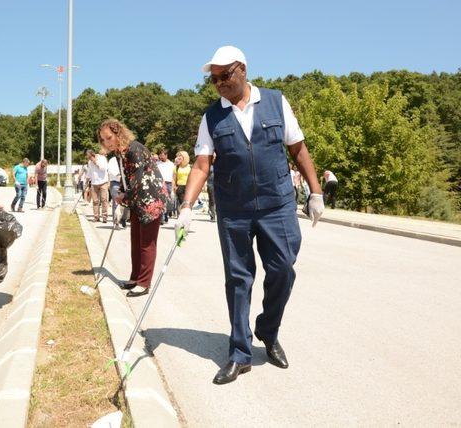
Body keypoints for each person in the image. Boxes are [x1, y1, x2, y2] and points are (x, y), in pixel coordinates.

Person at [175, 46, 325, 384]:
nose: (219, 84)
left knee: (283, 268)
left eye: (224, 76)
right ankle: (240, 353)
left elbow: (298, 148)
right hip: (234, 210)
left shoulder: (275, 101)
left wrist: (315, 192)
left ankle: (268, 332)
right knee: (239, 280)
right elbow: (201, 165)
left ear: (242, 69)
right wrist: (186, 206)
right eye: (212, 79)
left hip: (277, 204)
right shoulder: (212, 117)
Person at [98, 118, 168, 297]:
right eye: (103, 140)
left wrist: (124, 195)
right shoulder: (121, 154)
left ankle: (144, 283)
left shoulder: (134, 148)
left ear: (118, 133)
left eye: (109, 138)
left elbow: (137, 179)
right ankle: (135, 278)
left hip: (151, 200)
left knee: (146, 243)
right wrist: (122, 192)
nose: (106, 142)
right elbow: (126, 178)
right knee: (136, 240)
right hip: (137, 200)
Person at [86, 148, 109, 223]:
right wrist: (87, 180)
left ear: (93, 154)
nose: (89, 159)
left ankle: (105, 217)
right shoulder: (89, 162)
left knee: (104, 200)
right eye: (88, 158)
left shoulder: (102, 158)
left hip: (103, 182)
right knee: (95, 201)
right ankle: (96, 217)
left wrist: (96, 162)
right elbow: (89, 172)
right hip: (94, 183)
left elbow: (104, 168)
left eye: (90, 157)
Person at [108, 154, 128, 229]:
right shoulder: (112, 160)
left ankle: (123, 219)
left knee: (126, 204)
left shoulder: (126, 158)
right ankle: (116, 222)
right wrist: (119, 175)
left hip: (125, 183)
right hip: (116, 182)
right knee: (116, 203)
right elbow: (110, 171)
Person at [156, 148, 175, 223]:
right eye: (160, 155)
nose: (161, 157)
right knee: (160, 200)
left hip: (168, 183)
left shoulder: (171, 164)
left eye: (162, 155)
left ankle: (166, 215)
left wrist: (173, 186)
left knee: (167, 200)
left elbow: (173, 176)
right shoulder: (157, 163)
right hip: (159, 183)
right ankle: (161, 217)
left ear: (166, 155)